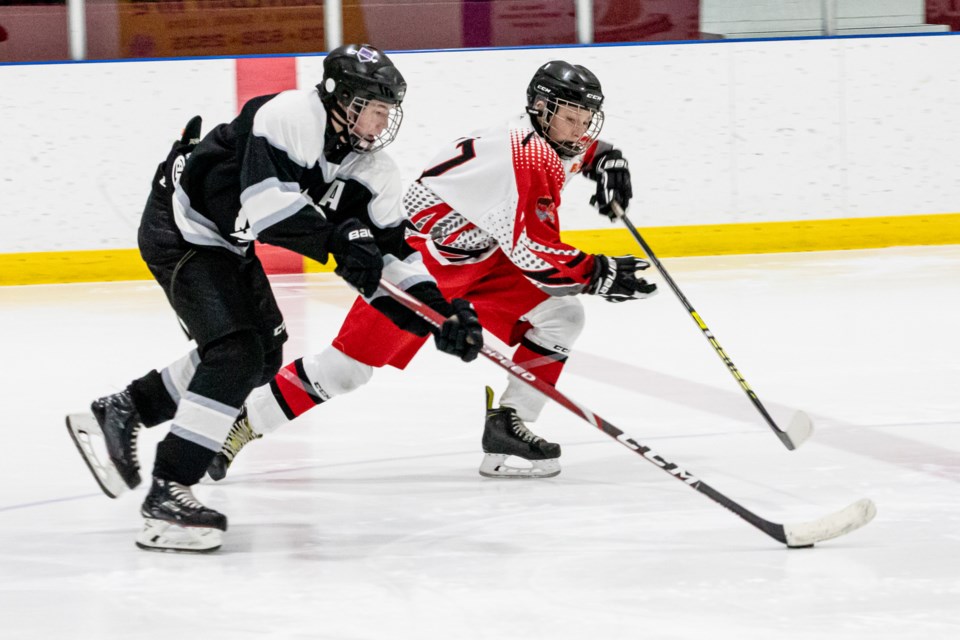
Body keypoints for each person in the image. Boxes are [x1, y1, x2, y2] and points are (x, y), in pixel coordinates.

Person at [65, 44, 482, 553]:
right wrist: (341, 239)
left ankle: (125, 407)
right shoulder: (288, 117)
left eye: (388, 111)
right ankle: (167, 492)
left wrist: (441, 314)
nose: (383, 121)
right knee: (235, 352)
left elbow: (393, 258)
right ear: (341, 100)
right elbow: (269, 211)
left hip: (226, 240)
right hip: (181, 225)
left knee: (263, 356)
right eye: (374, 108)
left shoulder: (375, 172)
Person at [206, 59, 656, 483]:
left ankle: (508, 429)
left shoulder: (547, 138)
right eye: (570, 118)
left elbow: (578, 157)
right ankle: (243, 422)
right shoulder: (527, 157)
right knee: (346, 370)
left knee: (563, 316)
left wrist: (607, 158)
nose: (579, 131)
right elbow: (535, 253)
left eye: (585, 120)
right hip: (423, 259)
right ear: (541, 108)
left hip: (481, 256)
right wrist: (599, 273)